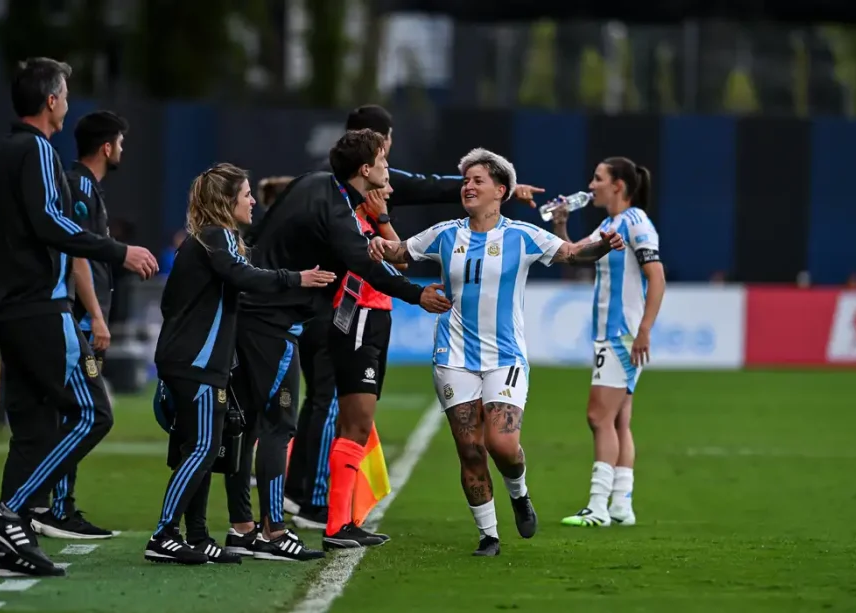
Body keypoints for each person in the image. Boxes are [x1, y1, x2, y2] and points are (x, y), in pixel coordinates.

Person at [286, 104, 543, 530]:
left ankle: (313, 504)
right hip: (350, 309)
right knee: (335, 411)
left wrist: (506, 190)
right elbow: (391, 258)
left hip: (352, 309)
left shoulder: (335, 188)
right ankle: (315, 506)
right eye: (384, 152)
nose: (388, 161)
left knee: (329, 407)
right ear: (372, 151)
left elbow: (430, 190)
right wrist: (415, 292)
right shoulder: (346, 196)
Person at [367, 148, 624, 556]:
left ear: (500, 190)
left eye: (478, 180)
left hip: (505, 358)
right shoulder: (445, 233)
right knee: (470, 449)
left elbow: (573, 254)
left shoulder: (522, 236)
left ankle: (519, 494)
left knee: (502, 445)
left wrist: (602, 245)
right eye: (466, 180)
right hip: (452, 357)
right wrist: (379, 244)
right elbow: (401, 253)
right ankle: (489, 535)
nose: (468, 186)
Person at [0, 57, 158, 578]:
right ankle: (10, 514)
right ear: (51, 101)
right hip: (41, 309)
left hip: (8, 308)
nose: (69, 102)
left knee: (31, 431)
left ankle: (9, 548)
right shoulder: (37, 151)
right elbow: (53, 223)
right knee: (93, 413)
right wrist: (118, 252)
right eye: (67, 93)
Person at [233, 128, 451, 554]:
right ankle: (273, 532)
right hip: (272, 320)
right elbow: (365, 263)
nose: (390, 170)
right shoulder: (336, 210)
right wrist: (418, 294)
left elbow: (266, 235)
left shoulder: (314, 184)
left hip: (264, 312)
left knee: (252, 426)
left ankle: (245, 527)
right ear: (365, 168)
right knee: (278, 426)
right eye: (384, 162)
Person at [146, 163, 336, 565]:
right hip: (196, 362)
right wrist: (295, 279)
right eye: (246, 194)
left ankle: (196, 535)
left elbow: (176, 301)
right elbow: (243, 276)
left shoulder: (202, 240)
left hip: (191, 359)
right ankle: (164, 534)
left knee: (200, 449)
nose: (253, 200)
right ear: (226, 201)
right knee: (202, 448)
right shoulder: (218, 236)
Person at [29, 110, 129, 541]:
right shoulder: (80, 186)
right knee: (84, 413)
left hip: (84, 317)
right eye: (121, 142)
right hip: (81, 319)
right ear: (107, 146)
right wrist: (97, 316)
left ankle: (57, 505)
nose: (124, 150)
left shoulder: (87, 187)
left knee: (76, 414)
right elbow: (79, 256)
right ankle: (52, 506)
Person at [551, 157, 666, 528]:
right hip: (614, 333)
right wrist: (561, 222)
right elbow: (573, 256)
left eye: (598, 178)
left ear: (618, 186)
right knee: (618, 421)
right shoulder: (608, 225)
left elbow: (657, 278)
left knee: (598, 415)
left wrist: (645, 329)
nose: (591, 184)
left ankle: (598, 506)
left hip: (622, 334)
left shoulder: (635, 224)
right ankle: (621, 505)